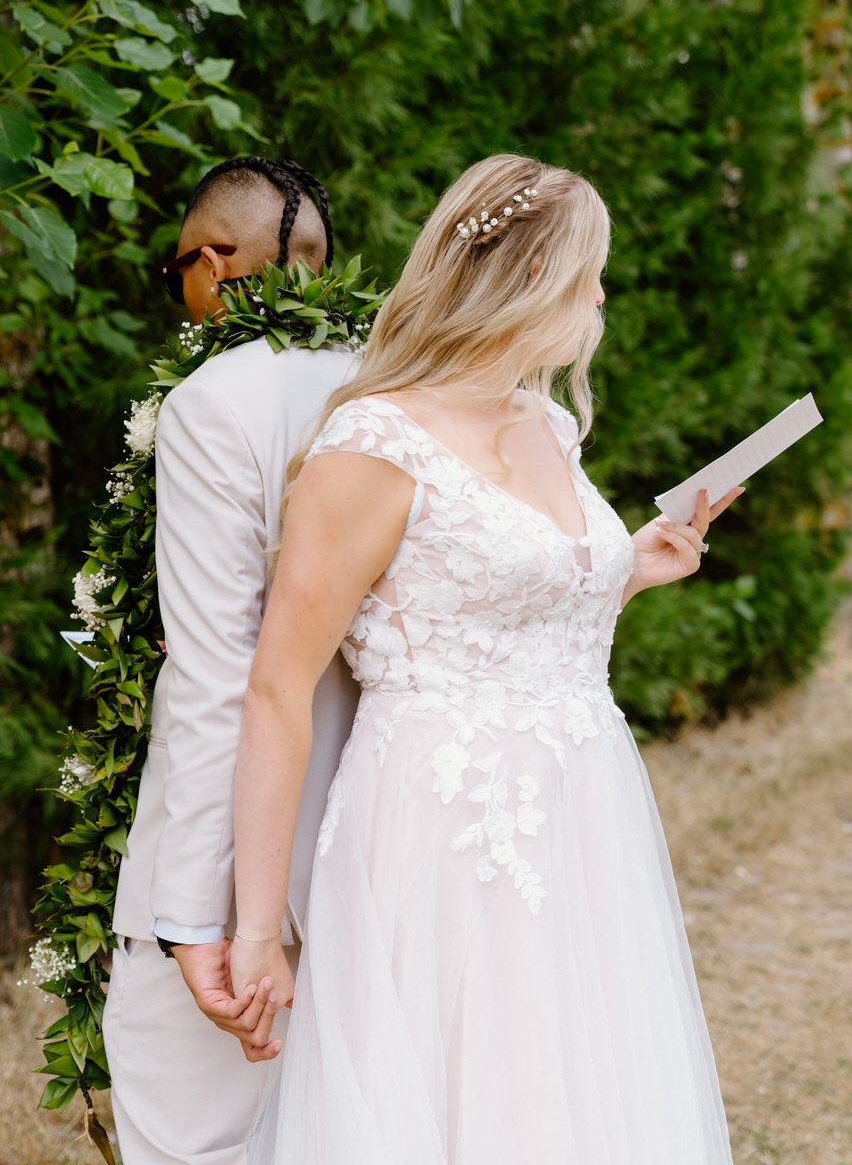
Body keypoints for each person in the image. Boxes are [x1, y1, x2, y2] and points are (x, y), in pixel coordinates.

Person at [230, 152, 741, 1164]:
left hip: (583, 809)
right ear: (534, 279)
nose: (599, 295)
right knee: (471, 1089)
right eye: (589, 272)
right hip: (443, 824)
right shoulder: (376, 445)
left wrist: (629, 568)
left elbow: (504, 594)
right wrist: (255, 930)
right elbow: (280, 685)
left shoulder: (546, 423)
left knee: (580, 1086)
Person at [103, 157, 361, 1165]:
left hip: (242, 875)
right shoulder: (398, 387)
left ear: (213, 264)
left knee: (190, 1141)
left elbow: (217, 679)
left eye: (178, 271)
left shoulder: (216, 402)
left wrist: (191, 913)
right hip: (378, 853)